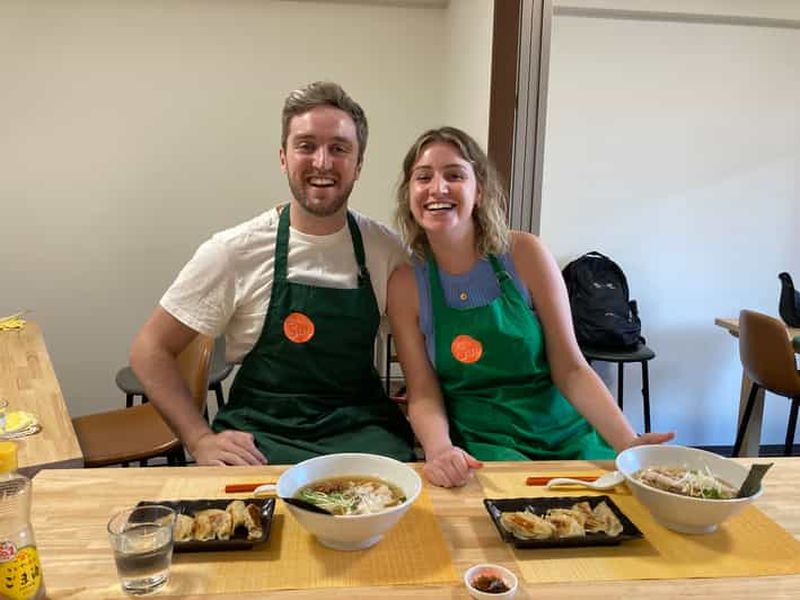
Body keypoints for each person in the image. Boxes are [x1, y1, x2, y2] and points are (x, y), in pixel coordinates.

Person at [130, 81, 415, 466]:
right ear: (283, 157)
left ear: (358, 164)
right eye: (306, 146)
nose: (322, 162)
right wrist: (199, 439)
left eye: (339, 149)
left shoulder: (386, 250)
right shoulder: (234, 251)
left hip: (360, 431)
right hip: (263, 437)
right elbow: (149, 350)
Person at [388, 126, 673, 488]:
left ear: (480, 192)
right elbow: (423, 391)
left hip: (565, 433)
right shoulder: (406, 284)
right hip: (486, 446)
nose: (437, 188)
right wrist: (440, 450)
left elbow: (571, 368)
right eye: (423, 177)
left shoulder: (525, 254)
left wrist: (628, 444)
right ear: (409, 194)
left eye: (455, 175)